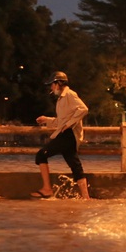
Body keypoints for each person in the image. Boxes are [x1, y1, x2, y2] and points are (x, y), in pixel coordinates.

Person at [32, 71, 91, 200]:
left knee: (41, 154)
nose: (51, 88)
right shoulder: (61, 99)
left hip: (68, 134)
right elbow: (61, 121)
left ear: (59, 83)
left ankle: (47, 189)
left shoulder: (69, 94)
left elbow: (83, 109)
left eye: (52, 84)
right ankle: (86, 198)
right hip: (67, 134)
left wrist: (69, 124)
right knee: (75, 164)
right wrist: (47, 119)